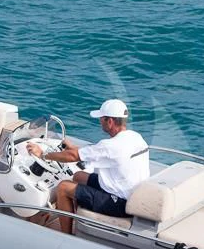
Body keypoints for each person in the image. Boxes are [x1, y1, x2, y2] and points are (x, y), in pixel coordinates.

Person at [27, 99, 149, 234]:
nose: (99, 122)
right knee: (78, 176)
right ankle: (75, 217)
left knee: (63, 187)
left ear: (110, 121)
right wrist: (74, 148)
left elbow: (74, 157)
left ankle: (66, 235)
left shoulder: (111, 146)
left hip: (119, 204)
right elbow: (99, 153)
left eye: (101, 119)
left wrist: (43, 154)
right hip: (130, 193)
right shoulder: (135, 137)